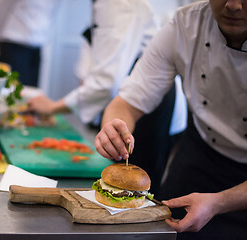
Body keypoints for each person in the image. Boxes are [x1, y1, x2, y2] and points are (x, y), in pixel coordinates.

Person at [94, 0, 247, 239]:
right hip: (199, 156)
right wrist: (113, 126)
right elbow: (127, 102)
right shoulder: (185, 24)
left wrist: (219, 202)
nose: (233, 6)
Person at [26, 0, 187, 194]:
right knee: (120, 186)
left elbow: (106, 83)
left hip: (148, 107)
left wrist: (52, 107)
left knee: (137, 191)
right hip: (133, 101)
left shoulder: (117, 4)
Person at [0, 0, 60, 87]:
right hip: (14, 43)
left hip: (37, 45)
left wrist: (45, 36)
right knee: (10, 87)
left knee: (30, 89)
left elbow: (52, 12)